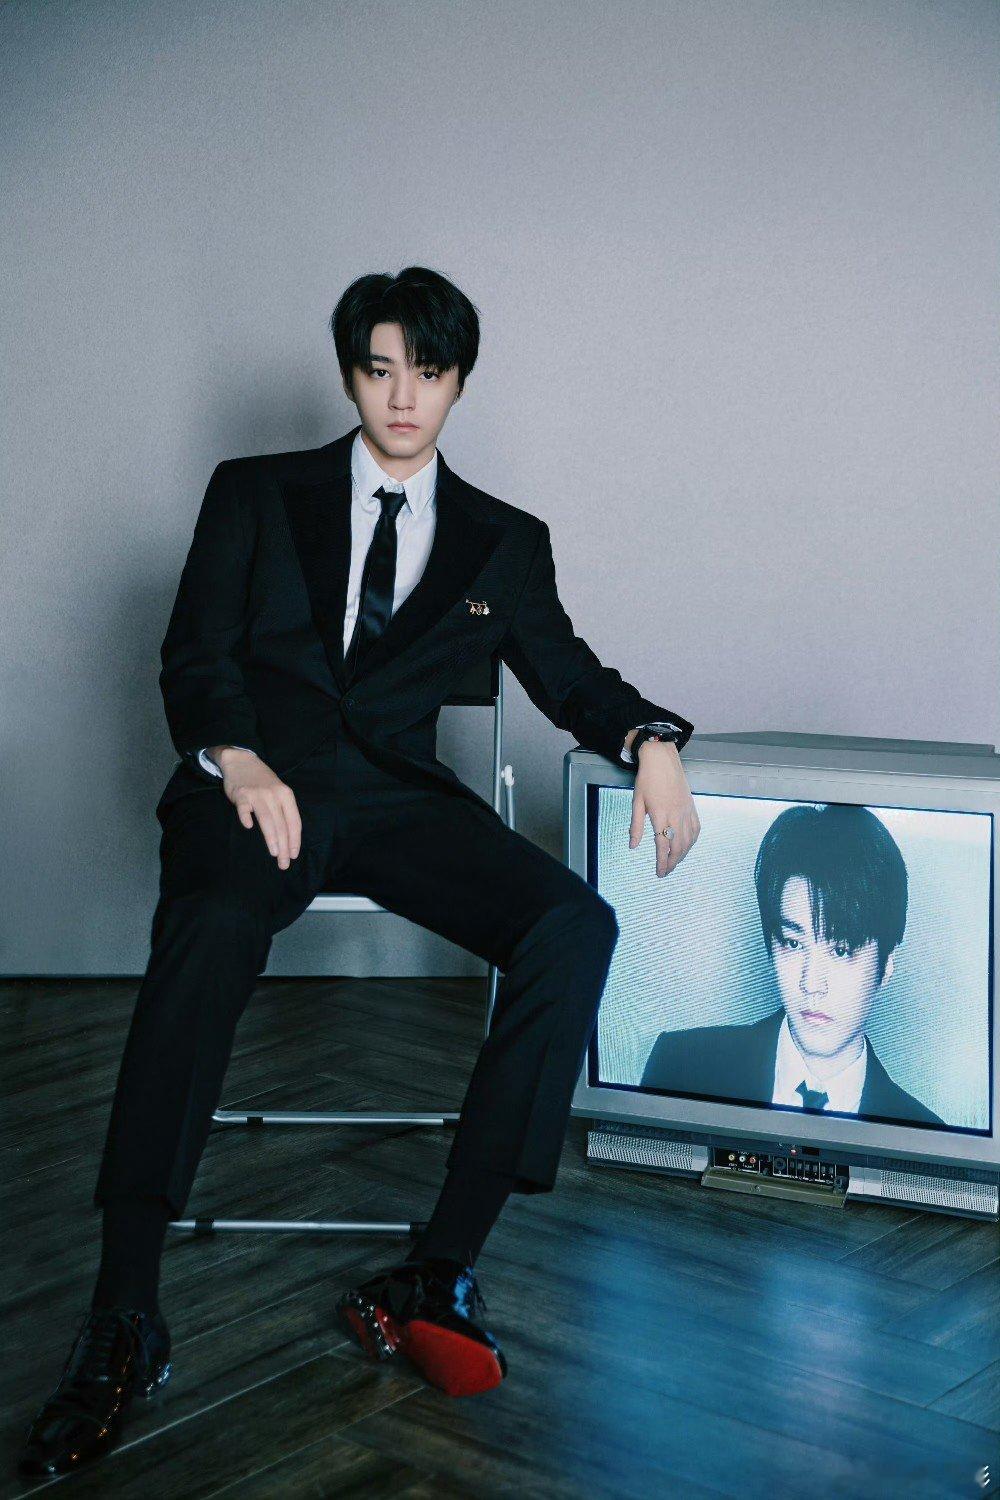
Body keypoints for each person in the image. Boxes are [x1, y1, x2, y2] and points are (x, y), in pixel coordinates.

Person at [20, 265, 699, 1475]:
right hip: (255, 790)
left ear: (458, 382)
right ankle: (124, 1312)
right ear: (349, 374)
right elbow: (194, 652)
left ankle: (438, 1266)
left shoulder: (504, 541)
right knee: (209, 925)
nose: (401, 398)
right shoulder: (254, 494)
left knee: (574, 925)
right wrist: (234, 756)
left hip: (394, 804)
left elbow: (569, 677)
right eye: (379, 370)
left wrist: (649, 740)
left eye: (426, 373)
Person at [641, 803, 942, 1125]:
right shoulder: (680, 1066)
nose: (811, 983)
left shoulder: (924, 1132)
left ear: (886, 965)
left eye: (841, 951)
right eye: (794, 944)